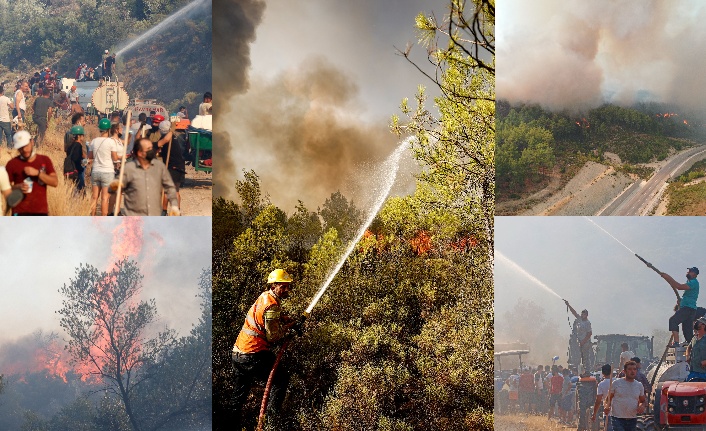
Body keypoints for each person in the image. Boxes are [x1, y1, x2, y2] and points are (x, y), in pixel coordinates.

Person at [231, 269, 297, 427]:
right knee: (280, 380)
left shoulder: (264, 296)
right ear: (274, 286)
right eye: (284, 286)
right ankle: (270, 424)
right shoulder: (272, 305)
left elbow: (264, 314)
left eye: (288, 286)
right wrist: (287, 328)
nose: (287, 289)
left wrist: (282, 318)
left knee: (238, 396)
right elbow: (272, 337)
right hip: (253, 355)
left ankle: (228, 426)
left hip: (238, 354)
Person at [117, 138, 179, 216]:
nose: (151, 151)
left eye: (151, 148)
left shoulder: (159, 167)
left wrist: (174, 205)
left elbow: (169, 187)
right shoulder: (129, 168)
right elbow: (116, 187)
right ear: (140, 153)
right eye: (148, 149)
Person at [5, 130, 58, 215]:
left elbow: (55, 182)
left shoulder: (44, 160)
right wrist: (18, 187)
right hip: (19, 213)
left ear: (32, 142)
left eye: (26, 146)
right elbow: (5, 188)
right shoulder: (12, 164)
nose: (25, 150)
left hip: (40, 213)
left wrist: (38, 173)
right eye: (21, 148)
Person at [662, 267, 700, 345]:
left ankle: (676, 342)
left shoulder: (694, 282)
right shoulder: (690, 282)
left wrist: (667, 277)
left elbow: (678, 286)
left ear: (694, 274)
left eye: (690, 271)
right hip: (690, 309)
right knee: (688, 334)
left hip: (688, 309)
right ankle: (693, 346)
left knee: (673, 321)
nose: (688, 272)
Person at [604, 361, 646, 431]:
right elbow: (608, 399)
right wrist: (606, 407)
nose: (632, 371)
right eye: (629, 369)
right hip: (617, 418)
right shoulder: (616, 383)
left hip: (632, 419)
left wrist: (642, 406)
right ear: (624, 371)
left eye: (634, 369)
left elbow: (643, 401)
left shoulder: (639, 385)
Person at [88, 118, 118, 216]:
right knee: (105, 198)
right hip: (107, 172)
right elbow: (114, 158)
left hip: (96, 171)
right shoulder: (111, 142)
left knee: (94, 197)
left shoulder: (93, 141)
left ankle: (92, 218)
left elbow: (90, 157)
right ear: (109, 129)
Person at [565, 299, 593, 373]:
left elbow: (589, 333)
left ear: (586, 315)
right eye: (582, 314)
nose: (582, 315)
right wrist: (568, 305)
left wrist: (583, 341)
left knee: (585, 357)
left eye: (584, 314)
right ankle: (583, 370)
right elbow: (574, 313)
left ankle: (587, 371)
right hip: (580, 341)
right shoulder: (579, 319)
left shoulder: (587, 323)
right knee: (580, 357)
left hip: (585, 342)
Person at [592, 364, 614, 430]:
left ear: (602, 373)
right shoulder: (618, 381)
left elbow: (598, 401)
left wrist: (594, 413)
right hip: (619, 414)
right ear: (611, 371)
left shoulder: (601, 384)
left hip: (608, 413)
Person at [65, 126, 86, 191]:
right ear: (79, 136)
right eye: (82, 135)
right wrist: (83, 164)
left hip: (70, 170)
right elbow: (76, 158)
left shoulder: (70, 146)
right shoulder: (78, 145)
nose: (83, 137)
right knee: (81, 189)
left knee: (73, 188)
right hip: (77, 171)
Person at [686, 317, 706, 381]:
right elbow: (688, 348)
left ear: (703, 326)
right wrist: (687, 356)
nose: (696, 324)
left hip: (704, 373)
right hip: (693, 371)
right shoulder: (694, 338)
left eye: (699, 323)